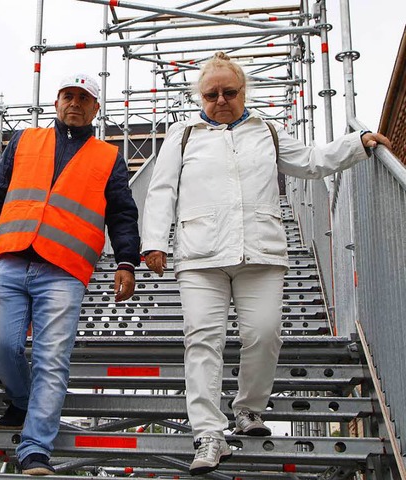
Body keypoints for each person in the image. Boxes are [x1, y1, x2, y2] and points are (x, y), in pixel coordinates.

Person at [141, 52, 391, 476]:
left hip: (261, 249)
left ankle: (249, 409)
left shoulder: (268, 131)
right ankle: (207, 433)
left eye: (229, 92)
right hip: (201, 255)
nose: (220, 100)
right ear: (199, 97)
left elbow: (312, 162)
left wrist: (357, 143)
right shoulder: (182, 135)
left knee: (265, 333)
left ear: (244, 92)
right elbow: (161, 190)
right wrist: (153, 241)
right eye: (211, 94)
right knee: (202, 340)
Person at [0, 73, 141, 475]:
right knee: (1, 346)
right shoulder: (24, 141)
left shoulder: (108, 156)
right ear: (56, 103)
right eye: (67, 96)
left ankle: (35, 448)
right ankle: (25, 401)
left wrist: (126, 262)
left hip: (65, 270)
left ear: (96, 108)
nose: (74, 103)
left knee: (51, 358)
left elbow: (121, 212)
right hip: (11, 259)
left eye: (84, 98)